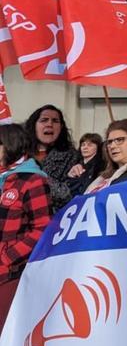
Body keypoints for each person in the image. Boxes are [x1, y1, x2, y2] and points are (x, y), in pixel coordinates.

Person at [0, 124, 51, 328]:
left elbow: (42, 227)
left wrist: (7, 256)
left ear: (11, 145)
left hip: (9, 274)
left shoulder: (31, 180)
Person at [25, 105, 78, 212]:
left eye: (55, 121)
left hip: (51, 219)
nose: (49, 124)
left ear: (61, 127)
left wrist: (36, 177)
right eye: (44, 120)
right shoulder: (19, 154)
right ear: (34, 125)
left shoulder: (72, 156)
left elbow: (68, 194)